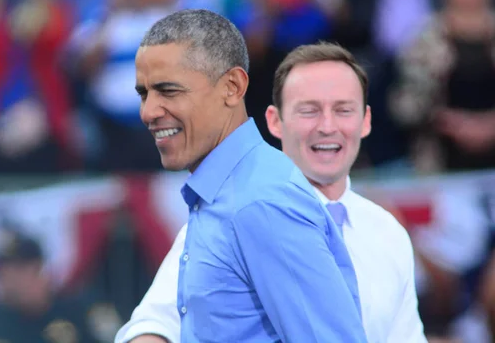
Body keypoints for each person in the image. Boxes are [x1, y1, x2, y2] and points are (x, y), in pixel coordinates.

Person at [116, 42, 427, 343]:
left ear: (365, 121)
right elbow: (155, 323)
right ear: (274, 122)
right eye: (309, 111)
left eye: (343, 110)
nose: (327, 126)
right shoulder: (226, 215)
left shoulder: (388, 232)